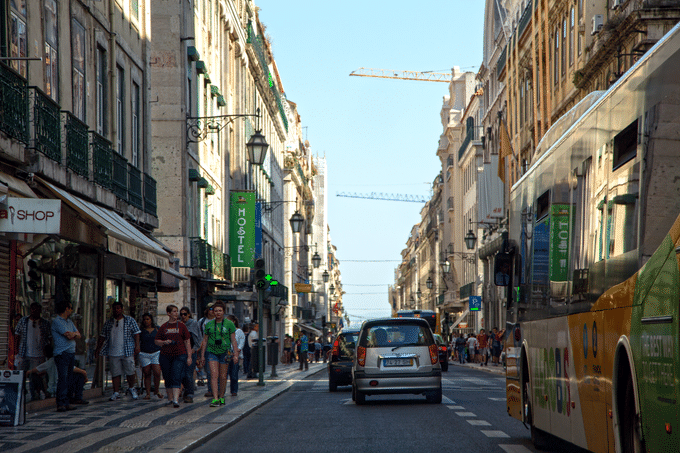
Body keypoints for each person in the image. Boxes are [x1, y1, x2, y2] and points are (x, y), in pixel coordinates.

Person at [95, 301, 141, 401]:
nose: (117, 310)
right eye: (115, 308)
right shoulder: (108, 322)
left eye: (118, 308)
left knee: (130, 370)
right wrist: (98, 349)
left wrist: (137, 346)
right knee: (115, 373)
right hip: (113, 351)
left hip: (127, 350)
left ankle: (131, 388)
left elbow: (136, 333)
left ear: (122, 309)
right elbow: (102, 336)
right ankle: (116, 392)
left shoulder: (129, 320)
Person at [197, 301, 238, 407]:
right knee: (213, 375)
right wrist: (202, 355)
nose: (218, 313)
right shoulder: (209, 324)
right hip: (211, 352)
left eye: (220, 310)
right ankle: (215, 398)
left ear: (223, 312)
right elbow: (205, 340)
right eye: (215, 311)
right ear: (213, 312)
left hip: (224, 352)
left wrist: (236, 354)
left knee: (223, 376)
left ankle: (221, 396)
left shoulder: (229, 324)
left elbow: (233, 340)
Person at [155, 304, 192, 408]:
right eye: (174, 311)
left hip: (180, 354)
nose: (176, 313)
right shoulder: (163, 327)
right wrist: (164, 342)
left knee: (177, 375)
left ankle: (176, 399)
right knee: (167, 376)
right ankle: (170, 398)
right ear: (168, 313)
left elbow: (187, 342)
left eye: (177, 311)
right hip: (166, 355)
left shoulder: (181, 326)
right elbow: (156, 341)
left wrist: (189, 356)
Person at [14, 302, 51, 401]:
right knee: (21, 374)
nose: (35, 311)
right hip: (23, 354)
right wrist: (16, 352)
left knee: (35, 376)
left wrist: (48, 352)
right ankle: (20, 394)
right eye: (33, 309)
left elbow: (49, 338)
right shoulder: (23, 321)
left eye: (37, 309)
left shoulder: (45, 323)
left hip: (39, 355)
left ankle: (36, 394)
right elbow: (17, 336)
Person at [51, 301, 81, 412]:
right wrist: (73, 334)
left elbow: (78, 334)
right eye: (71, 308)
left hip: (71, 352)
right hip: (62, 353)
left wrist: (74, 334)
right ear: (66, 309)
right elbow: (68, 335)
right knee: (63, 378)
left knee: (69, 378)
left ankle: (67, 401)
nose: (72, 311)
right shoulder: (57, 321)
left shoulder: (69, 322)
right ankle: (61, 402)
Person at [138, 313, 163, 400]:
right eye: (144, 319)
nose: (146, 321)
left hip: (156, 352)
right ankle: (148, 393)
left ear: (151, 320)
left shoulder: (157, 329)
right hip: (144, 353)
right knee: (147, 372)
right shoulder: (141, 330)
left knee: (157, 372)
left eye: (148, 319)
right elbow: (138, 342)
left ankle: (157, 390)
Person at [180, 307, 201, 403]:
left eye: (185, 314)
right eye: (181, 314)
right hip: (181, 352)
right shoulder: (179, 324)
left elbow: (198, 338)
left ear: (189, 314)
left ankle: (190, 394)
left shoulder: (193, 324)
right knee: (181, 374)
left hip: (191, 352)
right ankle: (186, 390)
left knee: (189, 373)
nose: (183, 316)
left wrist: (194, 349)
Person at [197, 305, 215, 396]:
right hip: (206, 348)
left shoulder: (219, 321)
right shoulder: (202, 321)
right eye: (211, 309)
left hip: (218, 348)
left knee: (217, 371)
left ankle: (218, 389)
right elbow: (199, 335)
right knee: (208, 370)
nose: (212, 311)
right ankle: (210, 390)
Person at [226, 314, 245, 396]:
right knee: (224, 375)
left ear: (233, 321)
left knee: (234, 374)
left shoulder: (239, 331)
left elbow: (242, 342)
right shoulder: (225, 331)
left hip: (235, 355)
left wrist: (237, 350)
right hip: (226, 355)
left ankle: (234, 391)